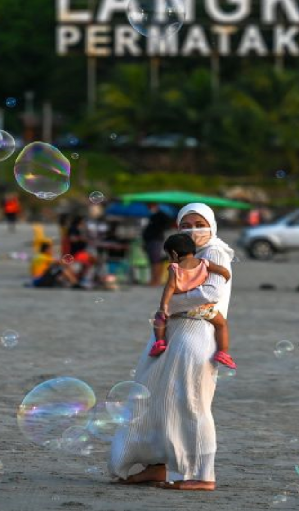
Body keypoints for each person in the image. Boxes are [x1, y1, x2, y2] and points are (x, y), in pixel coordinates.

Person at [110, 203, 234, 491]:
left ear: (212, 225)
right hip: (175, 332)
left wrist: (167, 306)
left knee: (190, 403)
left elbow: (211, 293)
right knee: (153, 398)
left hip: (197, 333)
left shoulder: (214, 251)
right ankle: (156, 465)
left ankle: (202, 475)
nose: (193, 230)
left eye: (199, 223)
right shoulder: (185, 254)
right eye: (186, 225)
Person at [150, 233, 236, 369]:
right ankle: (223, 352)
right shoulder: (204, 262)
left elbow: (170, 287)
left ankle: (160, 342)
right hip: (203, 308)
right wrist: (226, 274)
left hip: (178, 307)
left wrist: (163, 307)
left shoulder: (174, 268)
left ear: (174, 253)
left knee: (158, 318)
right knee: (221, 324)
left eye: (168, 256)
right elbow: (222, 270)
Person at [142, 203, 175, 286]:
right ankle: (155, 279)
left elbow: (168, 224)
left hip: (156, 240)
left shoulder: (160, 215)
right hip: (152, 240)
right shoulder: (153, 215)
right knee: (154, 260)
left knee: (156, 261)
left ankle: (156, 280)